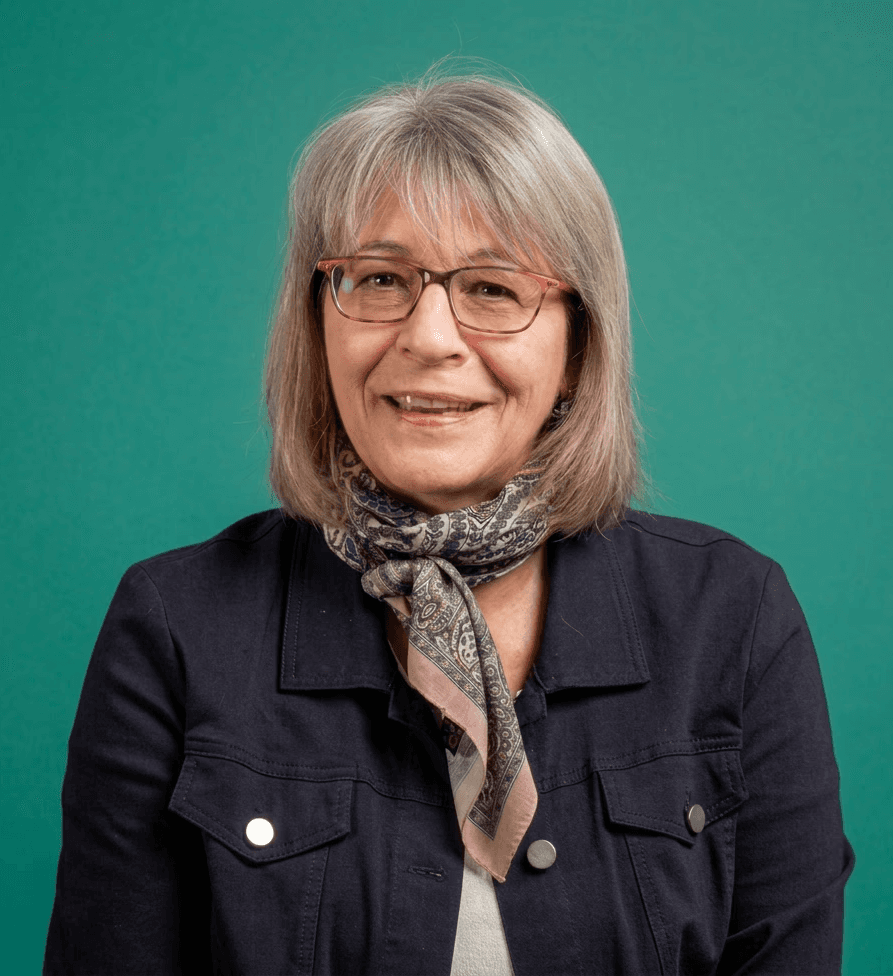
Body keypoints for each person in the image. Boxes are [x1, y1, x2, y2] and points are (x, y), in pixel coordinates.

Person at [44, 71, 853, 975]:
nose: (429, 336)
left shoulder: (732, 620)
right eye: (381, 278)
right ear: (317, 324)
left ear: (578, 343)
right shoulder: (175, 626)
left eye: (494, 289)